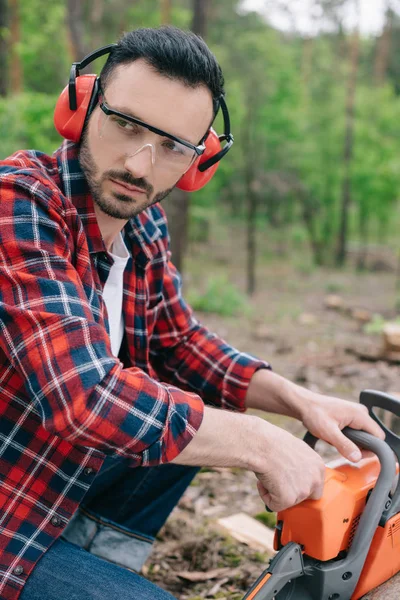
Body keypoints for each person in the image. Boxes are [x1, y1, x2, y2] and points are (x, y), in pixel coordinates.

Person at [0, 26, 383, 600]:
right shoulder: (19, 204)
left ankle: (94, 558)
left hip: (57, 477)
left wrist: (296, 400)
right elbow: (83, 401)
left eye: (173, 146)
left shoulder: (143, 221)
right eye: (125, 124)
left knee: (184, 399)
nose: (138, 163)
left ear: (198, 163)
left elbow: (180, 342)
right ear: (79, 107)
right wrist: (257, 441)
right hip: (11, 510)